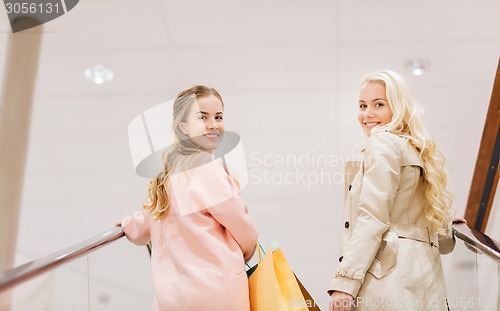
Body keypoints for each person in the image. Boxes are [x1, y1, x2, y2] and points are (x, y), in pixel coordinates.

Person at [120, 86, 258, 311]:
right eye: (202, 117)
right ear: (182, 127)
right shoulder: (206, 166)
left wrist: (127, 225)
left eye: (218, 117)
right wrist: (246, 252)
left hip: (173, 296)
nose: (213, 124)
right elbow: (244, 229)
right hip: (215, 290)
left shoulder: (165, 177)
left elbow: (143, 226)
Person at [328, 70, 456, 311]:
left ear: (398, 107)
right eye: (362, 105)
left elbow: (373, 218)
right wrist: (446, 223)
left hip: (390, 280)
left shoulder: (383, 143)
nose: (368, 114)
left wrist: (345, 282)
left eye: (379, 104)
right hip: (423, 282)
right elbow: (443, 243)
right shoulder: (413, 147)